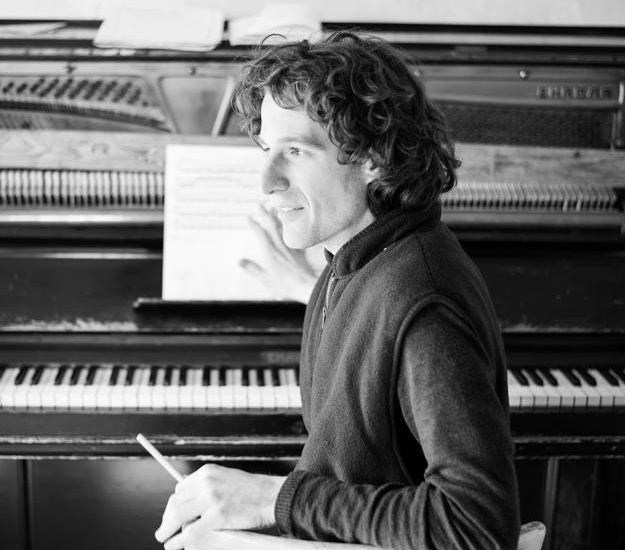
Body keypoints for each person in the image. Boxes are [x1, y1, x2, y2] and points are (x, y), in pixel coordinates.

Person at [155, 31, 520, 550]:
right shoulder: (359, 262)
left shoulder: (425, 303)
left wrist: (271, 499)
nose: (267, 180)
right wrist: (307, 290)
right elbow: (374, 340)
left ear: (372, 157)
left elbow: (477, 526)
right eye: (266, 150)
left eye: (295, 151)